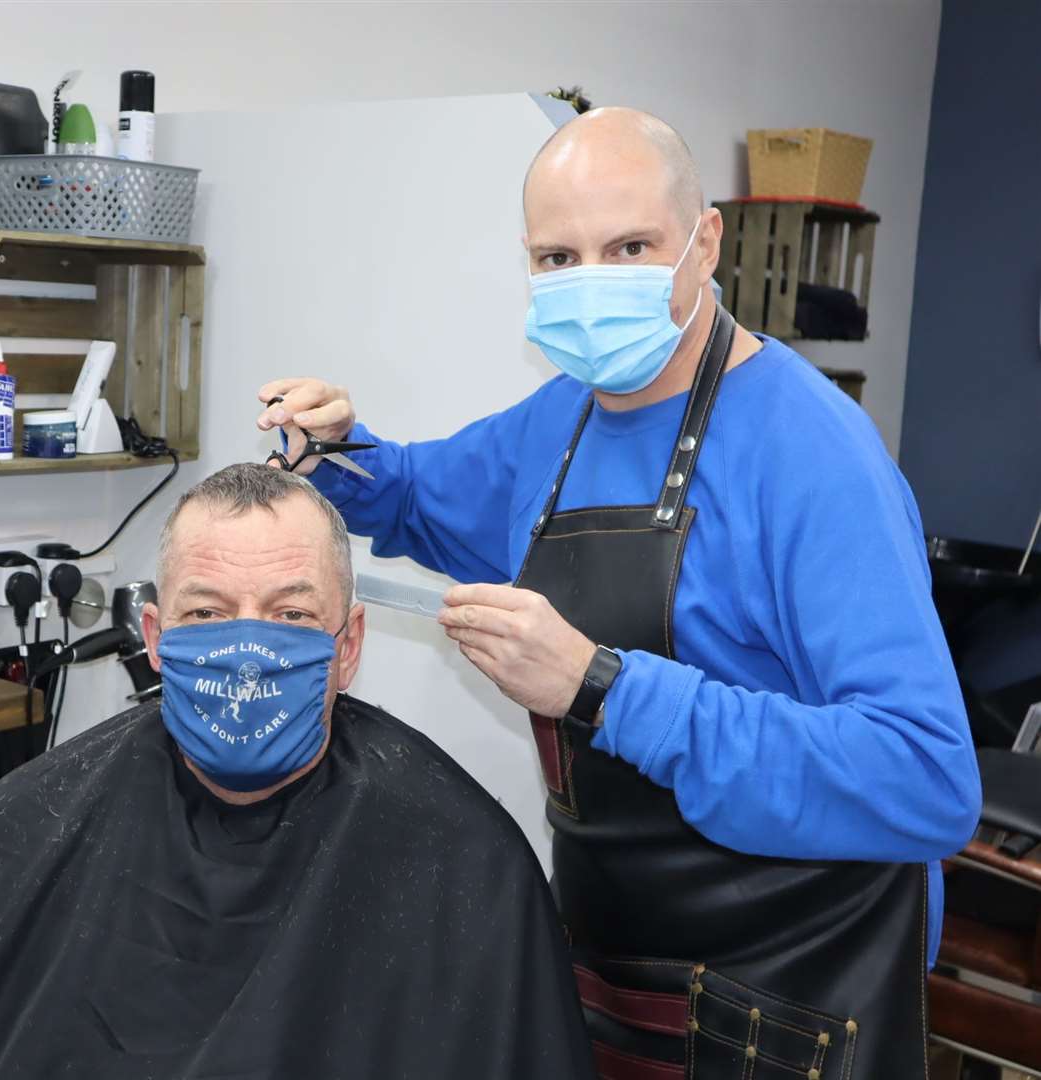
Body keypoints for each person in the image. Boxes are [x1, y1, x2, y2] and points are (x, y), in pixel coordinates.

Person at [258, 107, 981, 1079]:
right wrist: (338, 454)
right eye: (558, 259)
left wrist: (603, 689)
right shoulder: (557, 427)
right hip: (611, 968)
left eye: (629, 245)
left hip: (794, 995)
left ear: (704, 240)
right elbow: (425, 499)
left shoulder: (810, 454)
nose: (591, 282)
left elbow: (924, 780)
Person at [0, 464, 595, 1080]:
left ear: (346, 645)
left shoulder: (456, 855)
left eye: (289, 615)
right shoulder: (28, 820)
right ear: (154, 634)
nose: (247, 650)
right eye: (207, 613)